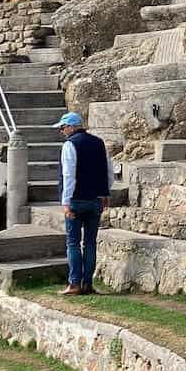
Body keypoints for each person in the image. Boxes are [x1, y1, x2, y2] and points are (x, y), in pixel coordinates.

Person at [55, 112, 114, 296]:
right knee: (90, 243)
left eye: (63, 127)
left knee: (73, 243)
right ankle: (87, 283)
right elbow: (108, 170)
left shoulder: (70, 145)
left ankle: (74, 283)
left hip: (76, 199)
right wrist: (105, 193)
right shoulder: (99, 143)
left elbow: (69, 175)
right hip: (95, 199)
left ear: (72, 126)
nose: (62, 131)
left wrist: (66, 202)